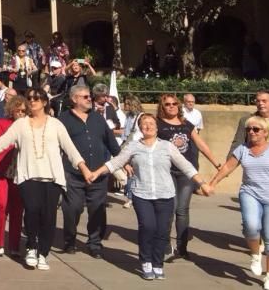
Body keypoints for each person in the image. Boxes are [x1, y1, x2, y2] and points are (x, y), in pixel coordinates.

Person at [0, 86, 92, 271]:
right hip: (28, 176)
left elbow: (70, 149)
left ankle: (43, 254)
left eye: (36, 98)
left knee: (48, 217)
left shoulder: (56, 124)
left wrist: (84, 168)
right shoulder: (21, 124)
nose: (32, 101)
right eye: (30, 97)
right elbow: (4, 141)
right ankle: (31, 247)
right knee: (31, 211)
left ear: (45, 102)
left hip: (52, 178)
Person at [89, 114, 212, 280]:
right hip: (142, 194)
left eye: (151, 123)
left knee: (162, 231)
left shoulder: (167, 146)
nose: (148, 126)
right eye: (144, 124)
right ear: (140, 128)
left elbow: (186, 166)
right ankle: (146, 261)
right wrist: (95, 173)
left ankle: (157, 263)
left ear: (157, 127)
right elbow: (115, 163)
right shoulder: (133, 147)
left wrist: (202, 183)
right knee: (147, 227)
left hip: (165, 194)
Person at [209, 115, 269, 289]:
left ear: (266, 132)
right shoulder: (242, 149)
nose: (251, 132)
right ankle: (255, 255)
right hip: (250, 193)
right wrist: (212, 184)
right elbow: (227, 167)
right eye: (248, 129)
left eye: (256, 129)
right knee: (251, 225)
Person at [156, 92, 222, 260]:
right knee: (170, 208)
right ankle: (165, 246)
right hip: (166, 171)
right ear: (162, 107)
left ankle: (182, 247)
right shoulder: (158, 124)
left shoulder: (187, 124)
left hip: (186, 172)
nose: (171, 106)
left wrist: (216, 163)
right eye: (167, 104)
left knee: (182, 210)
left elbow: (201, 144)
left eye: (174, 104)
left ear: (179, 106)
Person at [57, 84, 120, 258]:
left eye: (89, 96)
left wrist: (123, 160)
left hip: (98, 174)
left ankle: (95, 244)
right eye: (85, 97)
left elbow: (110, 141)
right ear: (74, 99)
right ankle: (69, 240)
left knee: (97, 210)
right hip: (73, 174)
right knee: (73, 209)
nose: (89, 99)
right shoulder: (63, 119)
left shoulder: (97, 118)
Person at [0, 95, 27, 257]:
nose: (21, 113)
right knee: (1, 204)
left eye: (24, 110)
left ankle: (15, 245)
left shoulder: (29, 126)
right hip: (1, 171)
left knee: (17, 210)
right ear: (11, 110)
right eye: (18, 110)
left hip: (19, 173)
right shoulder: (2, 124)